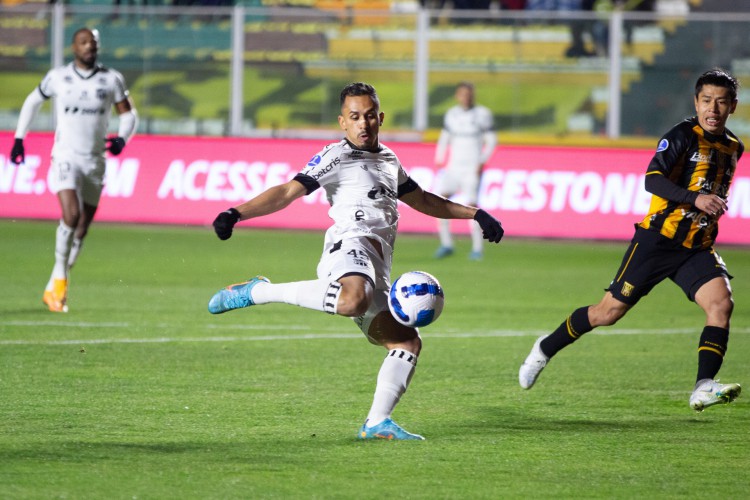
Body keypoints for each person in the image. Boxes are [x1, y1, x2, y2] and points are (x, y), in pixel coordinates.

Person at [208, 82, 504, 440]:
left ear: (379, 118)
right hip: (349, 248)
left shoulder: (389, 160)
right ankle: (259, 292)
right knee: (351, 300)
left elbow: (425, 200)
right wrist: (235, 212)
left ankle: (376, 422)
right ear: (342, 122)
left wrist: (477, 214)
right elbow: (288, 191)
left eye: (368, 116)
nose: (362, 124)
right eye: (354, 117)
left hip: (377, 267)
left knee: (407, 343)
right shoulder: (335, 156)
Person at [519, 69, 743, 412]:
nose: (713, 108)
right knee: (607, 313)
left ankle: (703, 386)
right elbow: (652, 179)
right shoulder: (682, 136)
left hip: (696, 246)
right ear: (696, 103)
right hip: (658, 240)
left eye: (721, 102)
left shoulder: (733, 146)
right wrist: (694, 199)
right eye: (707, 101)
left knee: (721, 305)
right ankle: (545, 348)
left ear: (733, 107)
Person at [9, 28, 138, 313]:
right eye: (84, 43)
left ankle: (55, 285)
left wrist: (121, 139)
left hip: (95, 161)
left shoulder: (111, 79)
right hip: (65, 156)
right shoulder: (58, 77)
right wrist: (19, 138)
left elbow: (129, 114)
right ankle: (60, 277)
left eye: (93, 43)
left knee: (81, 229)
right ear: (73, 47)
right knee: (71, 214)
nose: (89, 47)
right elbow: (33, 101)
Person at [433, 82, 497, 261]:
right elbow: (445, 137)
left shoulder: (483, 114)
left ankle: (477, 248)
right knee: (440, 201)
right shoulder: (452, 114)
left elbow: (491, 141)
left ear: (473, 95)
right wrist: (439, 158)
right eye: (462, 94)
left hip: (471, 168)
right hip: (453, 167)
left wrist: (482, 161)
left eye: (469, 94)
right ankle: (446, 244)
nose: (466, 97)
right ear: (457, 96)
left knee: (472, 207)